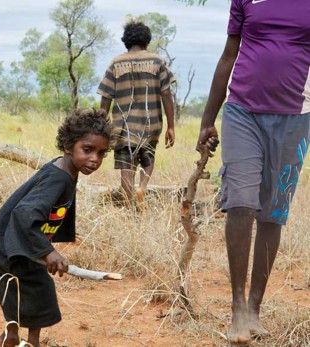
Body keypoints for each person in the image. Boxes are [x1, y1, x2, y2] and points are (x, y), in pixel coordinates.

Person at [197, 0, 310, 344]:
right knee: (241, 205)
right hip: (242, 111)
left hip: (296, 117)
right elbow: (229, 54)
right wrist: (207, 120)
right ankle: (236, 308)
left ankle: (254, 307)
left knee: (272, 214)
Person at [0, 108, 112, 347]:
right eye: (87, 149)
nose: (95, 159)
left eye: (101, 153)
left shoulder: (66, 170)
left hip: (12, 234)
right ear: (68, 146)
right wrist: (48, 252)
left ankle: (14, 336)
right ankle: (26, 340)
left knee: (19, 285)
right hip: (8, 237)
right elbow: (24, 214)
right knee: (34, 286)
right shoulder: (59, 178)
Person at [97, 20, 175, 209]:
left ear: (126, 41)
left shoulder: (116, 63)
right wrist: (171, 126)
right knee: (148, 159)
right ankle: (143, 187)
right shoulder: (158, 61)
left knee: (126, 169)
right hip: (151, 124)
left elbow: (106, 97)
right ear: (146, 41)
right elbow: (166, 93)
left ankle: (131, 208)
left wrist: (100, 123)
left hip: (122, 127)